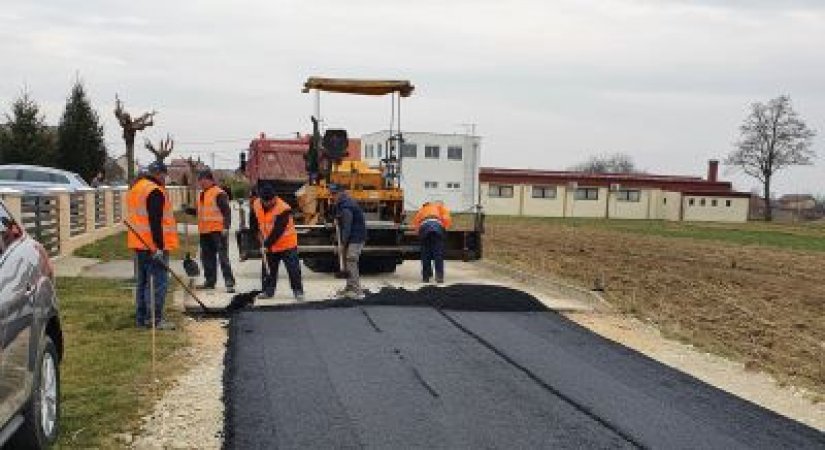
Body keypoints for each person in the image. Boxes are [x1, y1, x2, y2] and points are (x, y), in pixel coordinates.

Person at [126, 161, 178, 330]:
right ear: (160, 174)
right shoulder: (154, 191)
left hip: (139, 244)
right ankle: (155, 319)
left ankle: (141, 318)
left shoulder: (136, 188)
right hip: (152, 246)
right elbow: (155, 221)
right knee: (157, 282)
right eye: (164, 175)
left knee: (142, 282)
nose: (165, 179)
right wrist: (159, 247)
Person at [249, 184, 304, 300]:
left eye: (272, 200)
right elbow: (253, 223)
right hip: (270, 244)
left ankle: (298, 291)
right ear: (262, 200)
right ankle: (268, 291)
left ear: (275, 197)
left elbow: (278, 230)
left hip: (287, 244)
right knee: (268, 269)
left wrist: (266, 244)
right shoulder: (256, 204)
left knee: (293, 269)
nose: (270, 203)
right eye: (267, 201)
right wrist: (258, 237)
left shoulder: (284, 208)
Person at [185, 170, 236, 293]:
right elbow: (200, 212)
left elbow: (226, 212)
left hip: (218, 231)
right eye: (199, 182)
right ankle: (210, 281)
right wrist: (189, 210)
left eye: (202, 181)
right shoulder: (202, 194)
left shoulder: (219, 193)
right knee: (207, 258)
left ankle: (229, 282)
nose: (201, 184)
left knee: (223, 257)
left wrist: (226, 227)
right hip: (205, 231)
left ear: (210, 180)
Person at [331, 185, 367, 299]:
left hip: (356, 237)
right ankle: (349, 287)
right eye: (331, 194)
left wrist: (343, 243)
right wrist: (337, 218)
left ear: (341, 193)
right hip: (353, 236)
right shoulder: (343, 204)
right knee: (348, 260)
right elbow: (341, 219)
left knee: (351, 259)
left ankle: (357, 291)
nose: (332, 196)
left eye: (334, 194)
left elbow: (347, 227)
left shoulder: (347, 206)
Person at [412, 200, 452, 284]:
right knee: (438, 254)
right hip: (437, 228)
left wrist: (420, 235)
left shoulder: (421, 210)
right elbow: (446, 219)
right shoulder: (440, 207)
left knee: (425, 254)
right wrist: (444, 230)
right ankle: (439, 277)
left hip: (424, 228)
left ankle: (425, 277)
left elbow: (416, 223)